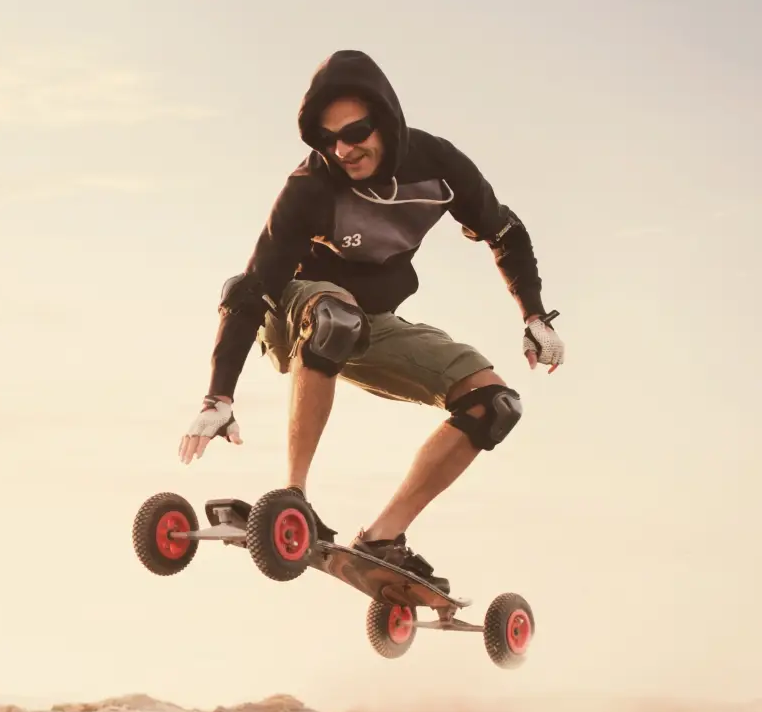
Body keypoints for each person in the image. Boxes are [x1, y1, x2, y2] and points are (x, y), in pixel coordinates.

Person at [177, 49, 564, 593]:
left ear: (386, 120)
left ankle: (383, 538)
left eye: (355, 133)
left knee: (494, 404)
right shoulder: (310, 187)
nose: (344, 149)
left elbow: (506, 231)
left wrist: (534, 315)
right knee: (336, 316)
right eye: (329, 140)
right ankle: (295, 498)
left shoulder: (440, 167)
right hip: (295, 309)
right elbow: (251, 290)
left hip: (371, 321)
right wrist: (219, 396)